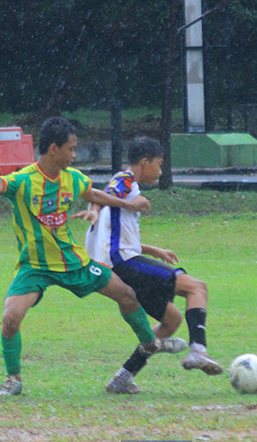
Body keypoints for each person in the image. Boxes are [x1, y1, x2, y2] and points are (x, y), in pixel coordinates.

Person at [0, 116, 173, 397]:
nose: (74, 155)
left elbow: (93, 193)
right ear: (54, 149)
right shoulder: (23, 181)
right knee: (10, 318)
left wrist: (123, 204)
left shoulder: (73, 179)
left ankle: (148, 342)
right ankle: (13, 380)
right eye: (71, 149)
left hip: (73, 261)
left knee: (127, 294)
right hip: (35, 266)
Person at [81, 136, 223, 395]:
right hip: (125, 265)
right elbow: (101, 196)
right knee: (196, 288)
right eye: (159, 164)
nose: (160, 170)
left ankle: (123, 378)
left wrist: (152, 249)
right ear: (144, 162)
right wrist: (99, 207)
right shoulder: (125, 179)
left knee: (171, 320)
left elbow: (118, 234)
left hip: (122, 262)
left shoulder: (127, 184)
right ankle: (198, 351)